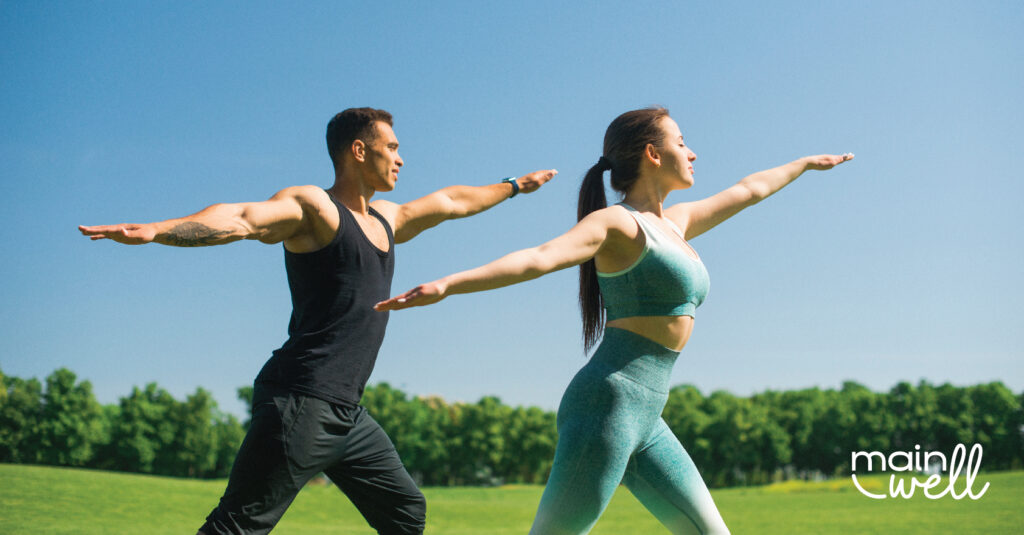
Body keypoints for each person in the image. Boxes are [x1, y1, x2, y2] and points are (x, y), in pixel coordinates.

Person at [78, 107, 557, 535]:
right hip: (301, 400)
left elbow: (452, 202)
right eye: (391, 147)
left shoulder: (387, 218)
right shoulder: (316, 209)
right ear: (358, 150)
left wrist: (514, 186)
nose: (401, 158)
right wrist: (160, 230)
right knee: (238, 525)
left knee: (406, 512)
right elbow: (243, 217)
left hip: (347, 414)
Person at [375, 107, 853, 534]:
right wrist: (447, 285)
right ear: (653, 153)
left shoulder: (676, 224)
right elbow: (540, 258)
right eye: (682, 142)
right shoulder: (619, 225)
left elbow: (749, 190)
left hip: (646, 416)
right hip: (606, 407)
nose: (693, 152)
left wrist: (805, 165)